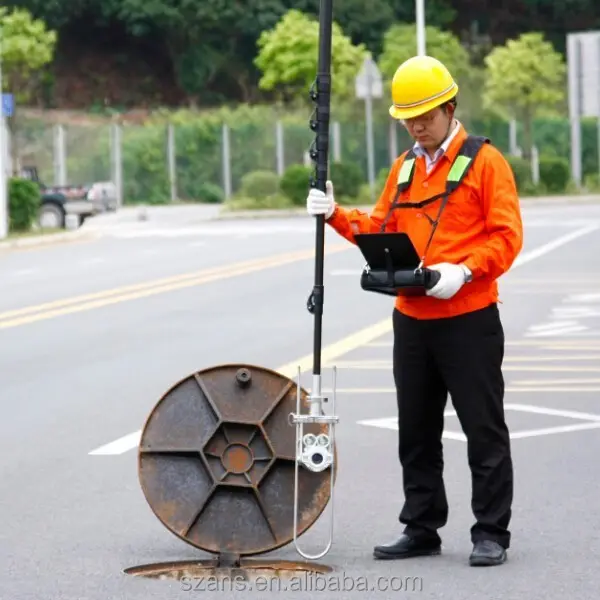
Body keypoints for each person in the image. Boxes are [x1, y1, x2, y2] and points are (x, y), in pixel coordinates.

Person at [306, 55, 523, 567]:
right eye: (409, 118)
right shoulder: (404, 168)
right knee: (416, 430)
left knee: (483, 429)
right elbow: (383, 229)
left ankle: (491, 532)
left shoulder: (486, 163)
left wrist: (464, 272)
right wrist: (336, 215)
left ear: (450, 108)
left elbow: (508, 238)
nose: (417, 126)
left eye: (425, 116)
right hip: (413, 318)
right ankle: (421, 526)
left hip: (469, 318)